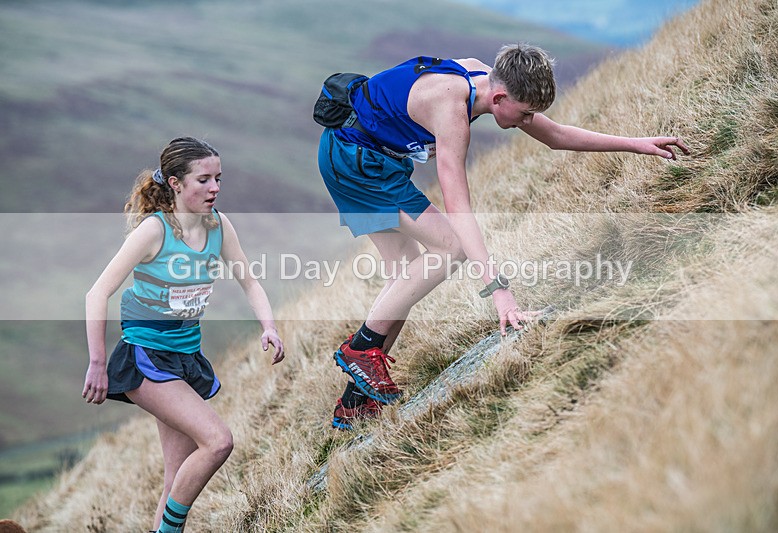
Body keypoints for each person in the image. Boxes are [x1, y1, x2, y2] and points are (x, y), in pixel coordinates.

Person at [318, 44, 689, 430]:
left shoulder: (486, 79)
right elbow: (458, 207)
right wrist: (499, 292)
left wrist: (638, 144)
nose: (530, 119)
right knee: (451, 247)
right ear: (500, 98)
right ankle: (362, 349)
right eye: (526, 112)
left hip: (366, 155)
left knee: (410, 277)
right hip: (354, 160)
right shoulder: (451, 110)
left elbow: (557, 135)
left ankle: (355, 403)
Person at [82, 137, 285, 533]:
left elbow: (250, 282)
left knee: (175, 480)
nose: (215, 188)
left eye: (218, 179)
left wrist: (269, 327)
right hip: (147, 357)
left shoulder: (220, 226)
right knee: (218, 441)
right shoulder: (153, 232)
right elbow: (98, 292)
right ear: (175, 183)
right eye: (203, 180)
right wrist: (97, 363)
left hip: (186, 357)